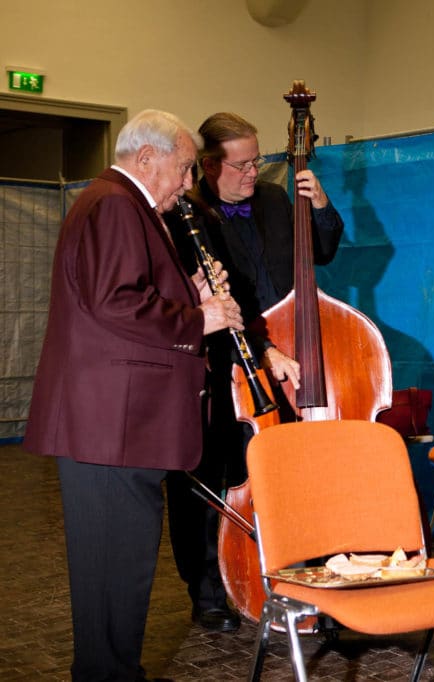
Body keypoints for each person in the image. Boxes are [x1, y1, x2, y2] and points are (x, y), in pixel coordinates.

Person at [23, 109, 244, 681]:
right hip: (111, 428)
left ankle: (114, 671)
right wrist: (200, 317)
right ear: (147, 159)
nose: (188, 182)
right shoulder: (118, 204)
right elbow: (118, 303)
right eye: (185, 168)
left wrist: (187, 289)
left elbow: (121, 297)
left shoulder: (115, 203)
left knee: (118, 569)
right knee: (111, 570)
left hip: (115, 426)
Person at [163, 112, 344, 632]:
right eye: (242, 164)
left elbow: (322, 253)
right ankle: (207, 590)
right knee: (216, 479)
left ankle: (295, 577)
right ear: (209, 165)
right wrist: (258, 349)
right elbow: (214, 297)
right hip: (222, 361)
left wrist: (322, 205)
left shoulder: (272, 199)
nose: (253, 172)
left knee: (288, 476)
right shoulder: (187, 213)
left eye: (258, 160)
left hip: (287, 352)